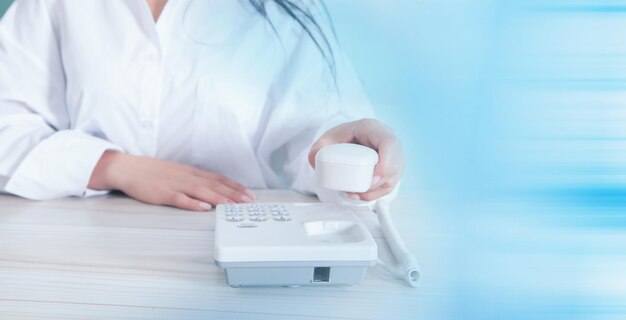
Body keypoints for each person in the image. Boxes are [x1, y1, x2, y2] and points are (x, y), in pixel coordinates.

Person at [0, 0, 405, 211]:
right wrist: (114, 167)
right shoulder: (53, 4)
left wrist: (346, 155)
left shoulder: (287, 13)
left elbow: (322, 143)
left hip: (236, 253)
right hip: (75, 253)